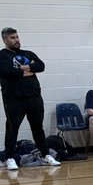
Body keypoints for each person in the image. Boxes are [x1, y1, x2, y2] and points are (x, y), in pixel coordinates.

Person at [1, 27, 59, 170]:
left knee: (38, 128)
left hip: (34, 97)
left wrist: (22, 68)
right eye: (12, 38)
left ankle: (45, 155)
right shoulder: (2, 56)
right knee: (12, 129)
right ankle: (9, 157)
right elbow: (7, 72)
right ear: (4, 40)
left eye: (17, 37)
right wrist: (28, 70)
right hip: (14, 98)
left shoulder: (28, 53)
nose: (16, 40)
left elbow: (40, 66)